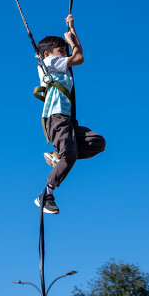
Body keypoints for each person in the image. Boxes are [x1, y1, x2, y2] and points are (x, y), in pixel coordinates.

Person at [34, 14, 106, 214]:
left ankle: (60, 154)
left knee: (97, 143)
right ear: (48, 54)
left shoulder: (60, 67)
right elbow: (79, 58)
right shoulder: (48, 64)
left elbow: (76, 57)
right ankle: (46, 193)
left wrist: (73, 32)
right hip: (56, 118)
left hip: (68, 121)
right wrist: (72, 42)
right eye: (61, 51)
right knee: (70, 155)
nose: (64, 54)